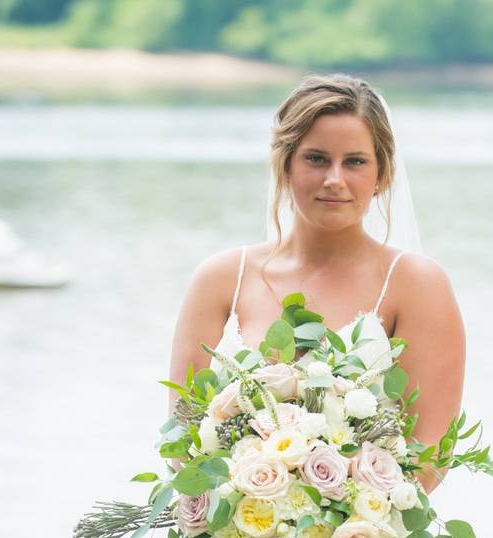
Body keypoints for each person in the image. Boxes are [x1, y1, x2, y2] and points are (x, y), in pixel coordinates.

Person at [167, 73, 465, 493]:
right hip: (232, 537)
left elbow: (431, 455)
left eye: (356, 162)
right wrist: (247, 519)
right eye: (316, 159)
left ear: (381, 174)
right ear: (286, 164)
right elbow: (182, 440)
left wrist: (336, 521)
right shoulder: (219, 280)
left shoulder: (417, 285)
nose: (335, 179)